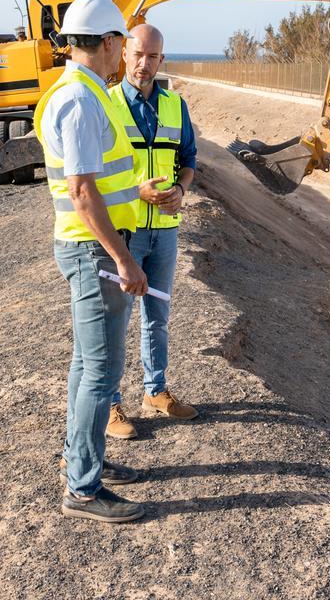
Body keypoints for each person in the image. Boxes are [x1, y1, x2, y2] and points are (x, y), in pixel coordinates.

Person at [32, 0, 163, 524]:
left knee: (87, 366)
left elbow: (101, 183)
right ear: (109, 42)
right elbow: (83, 192)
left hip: (91, 249)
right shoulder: (82, 100)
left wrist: (140, 192)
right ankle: (82, 489)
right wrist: (125, 260)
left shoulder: (79, 91)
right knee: (99, 372)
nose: (123, 55)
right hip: (94, 254)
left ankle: (85, 460)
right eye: (121, 45)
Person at [104, 23, 199, 440]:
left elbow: (190, 158)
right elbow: (92, 176)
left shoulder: (176, 106)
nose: (145, 64)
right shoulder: (105, 105)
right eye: (138, 54)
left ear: (162, 59)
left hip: (165, 231)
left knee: (157, 316)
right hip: (124, 232)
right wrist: (133, 191)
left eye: (153, 57)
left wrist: (181, 189)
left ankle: (155, 391)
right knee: (114, 320)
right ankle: (109, 405)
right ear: (125, 53)